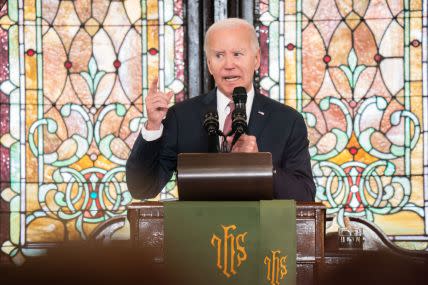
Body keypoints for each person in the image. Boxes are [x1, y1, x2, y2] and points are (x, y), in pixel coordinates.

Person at [126, 18, 315, 201]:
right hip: (201, 232)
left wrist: (262, 165)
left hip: (264, 231)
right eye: (219, 56)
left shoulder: (287, 121)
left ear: (256, 59)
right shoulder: (182, 117)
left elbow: (304, 195)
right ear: (209, 64)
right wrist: (153, 126)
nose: (229, 65)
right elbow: (142, 188)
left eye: (237, 54)